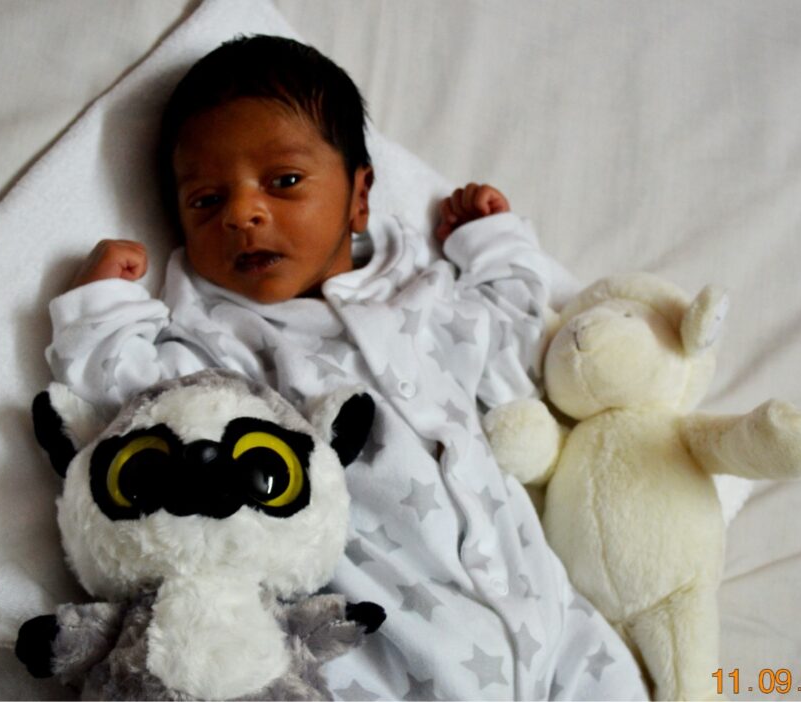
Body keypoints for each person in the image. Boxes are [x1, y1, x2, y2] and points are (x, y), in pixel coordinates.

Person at [48, 35, 648, 700]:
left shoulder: (421, 295)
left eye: (284, 182)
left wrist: (492, 242)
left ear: (360, 196)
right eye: (206, 200)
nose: (243, 214)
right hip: (389, 651)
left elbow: (517, 342)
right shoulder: (219, 349)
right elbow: (132, 409)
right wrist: (99, 311)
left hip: (544, 615)